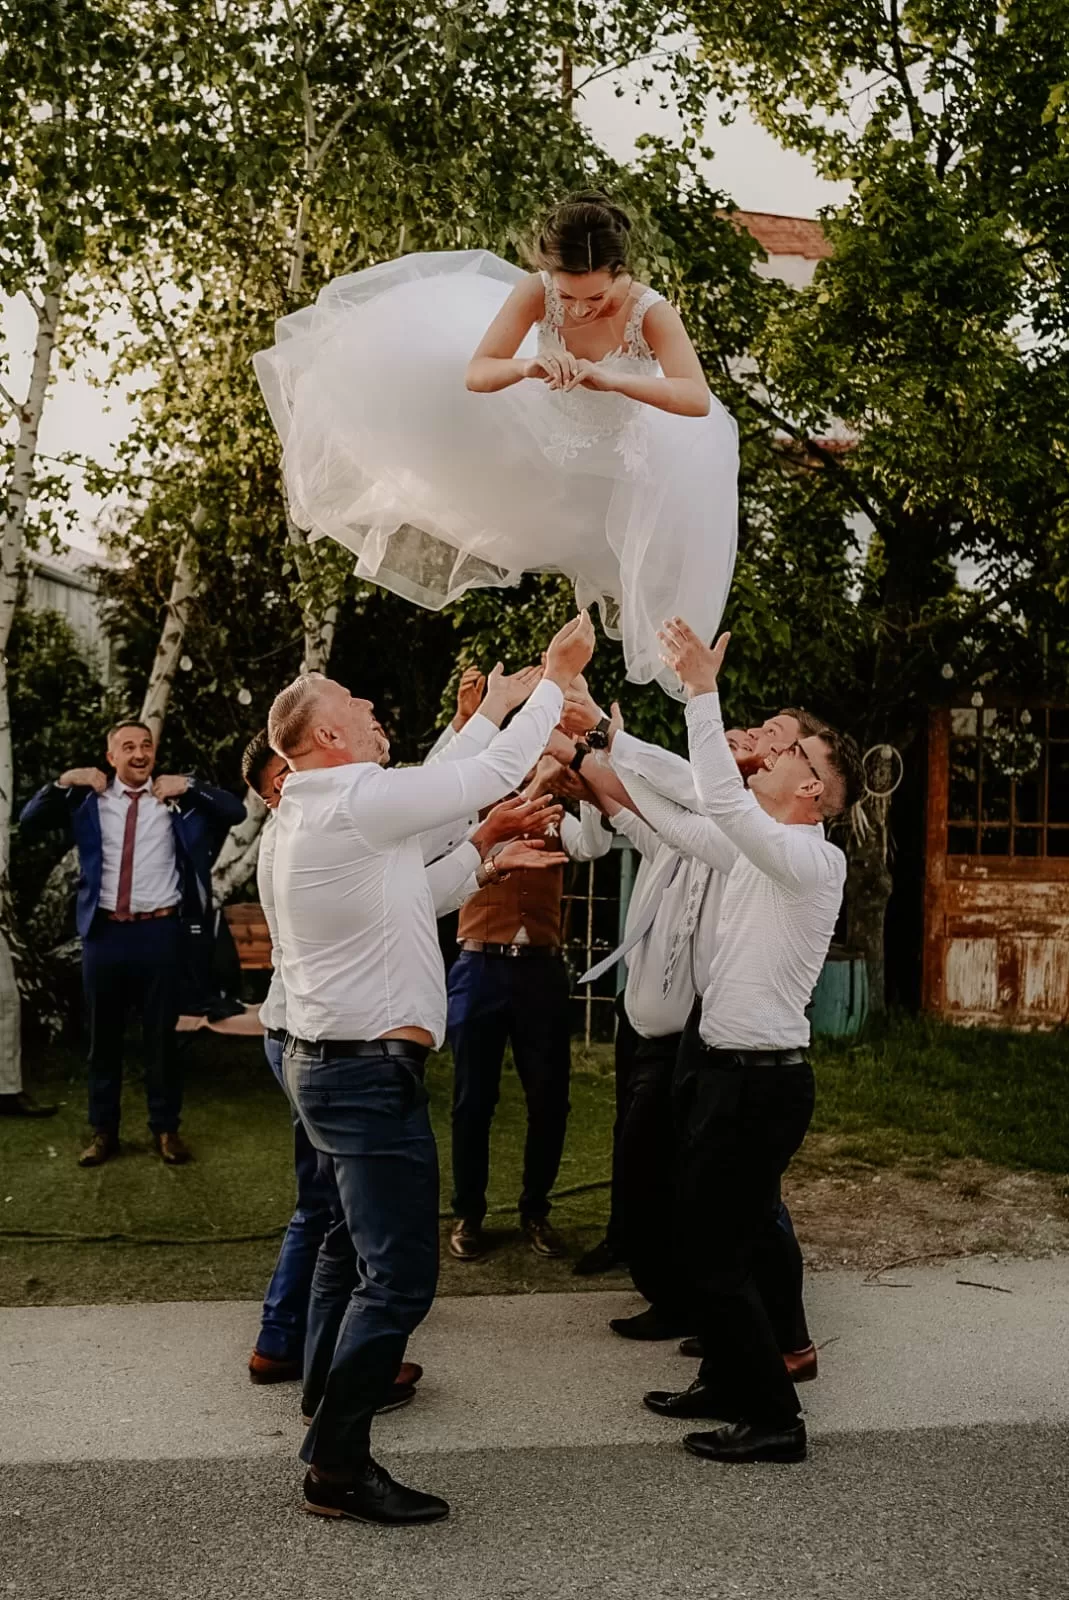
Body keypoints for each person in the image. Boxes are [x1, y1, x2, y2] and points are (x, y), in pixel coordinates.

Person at [268, 612, 594, 1527]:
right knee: (400, 1279)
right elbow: (475, 780)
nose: (371, 708)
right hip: (362, 1079)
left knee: (349, 1247)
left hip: (335, 1069)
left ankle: (325, 1398)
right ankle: (336, 1467)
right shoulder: (353, 799)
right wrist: (550, 680)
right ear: (326, 736)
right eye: (354, 704)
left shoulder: (322, 812)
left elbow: (416, 880)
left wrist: (483, 849)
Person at [254, 194, 738, 696]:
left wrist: (610, 379)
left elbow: (694, 397)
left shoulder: (651, 312)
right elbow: (478, 372)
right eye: (568, 296)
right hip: (540, 437)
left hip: (620, 459)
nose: (578, 309)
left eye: (594, 298)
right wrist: (527, 366)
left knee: (649, 569)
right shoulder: (537, 292)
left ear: (619, 272)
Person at [639, 619, 863, 1466]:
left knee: (713, 1253)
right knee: (710, 1243)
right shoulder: (759, 853)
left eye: (794, 752)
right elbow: (686, 823)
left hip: (757, 1086)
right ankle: (726, 1381)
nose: (773, 751)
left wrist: (702, 691)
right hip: (722, 1073)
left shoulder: (811, 861)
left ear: (810, 790)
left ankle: (774, 1419)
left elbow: (723, 802)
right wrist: (600, 749)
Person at [19, 721, 245, 1166]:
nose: (139, 754)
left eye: (146, 745)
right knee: (103, 1038)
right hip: (104, 933)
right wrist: (65, 780)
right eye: (128, 747)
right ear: (111, 757)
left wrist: (191, 785)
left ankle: (166, 1129)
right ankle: (104, 1131)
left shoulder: (176, 800)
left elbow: (235, 812)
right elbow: (29, 820)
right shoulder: (90, 799)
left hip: (160, 932)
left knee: (161, 1037)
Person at [446, 735, 612, 1264]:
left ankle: (535, 1209)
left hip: (540, 968)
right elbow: (474, 854)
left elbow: (593, 846)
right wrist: (539, 781)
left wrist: (584, 791)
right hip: (479, 965)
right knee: (473, 1098)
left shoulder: (554, 814)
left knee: (550, 1098)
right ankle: (469, 1213)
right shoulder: (477, 811)